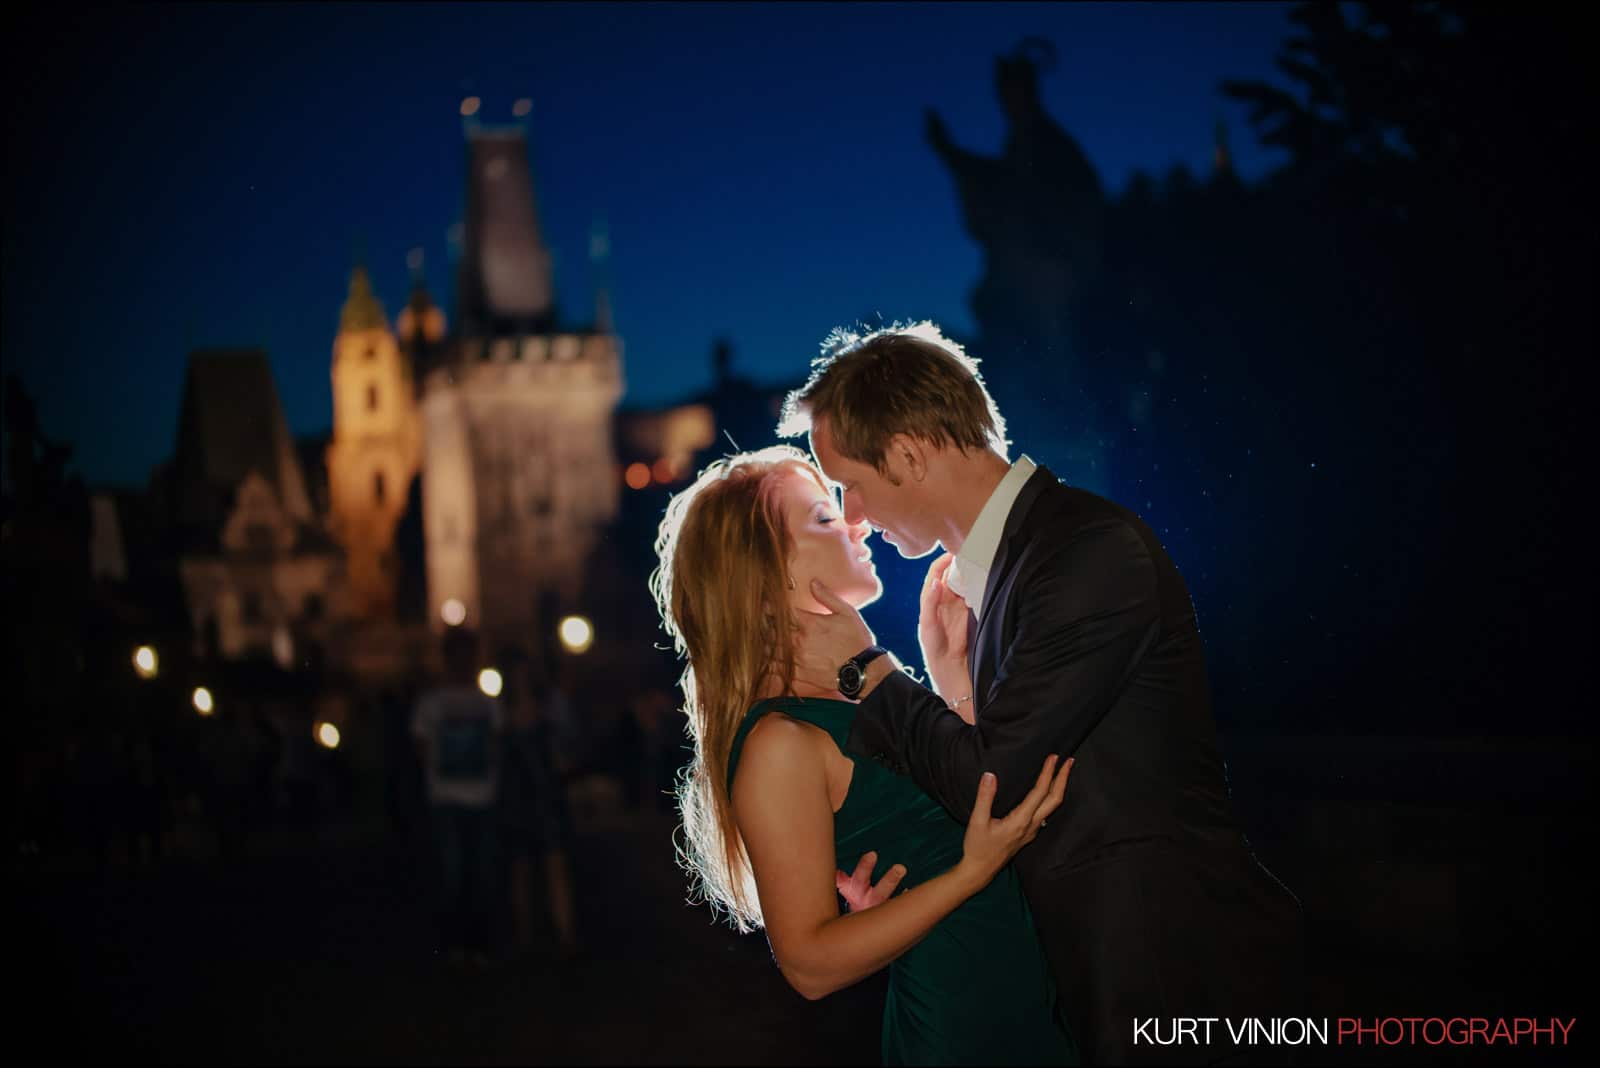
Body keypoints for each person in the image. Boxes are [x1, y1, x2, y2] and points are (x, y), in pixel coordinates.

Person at [776, 322, 1305, 1065]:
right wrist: (952, 683)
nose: (854, 514)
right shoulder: (1019, 571)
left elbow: (995, 785)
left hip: (1166, 972)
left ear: (906, 454)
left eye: (851, 486)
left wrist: (868, 669)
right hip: (1095, 974)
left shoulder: (1087, 551)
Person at [652, 445, 1076, 1066]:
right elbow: (809, 966)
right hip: (964, 1030)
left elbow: (973, 796)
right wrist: (970, 872)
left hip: (1031, 998)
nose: (854, 521)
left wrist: (947, 671)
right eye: (824, 517)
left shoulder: (862, 691)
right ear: (769, 575)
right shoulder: (779, 743)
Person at [411, 626, 503, 968]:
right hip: (448, 799)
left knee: (478, 875)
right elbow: (421, 748)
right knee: (454, 875)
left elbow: (496, 746)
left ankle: (476, 945)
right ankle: (455, 945)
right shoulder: (432, 702)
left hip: (478, 798)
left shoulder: (485, 701)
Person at [498, 648, 582, 963]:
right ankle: (527, 935)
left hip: (545, 794)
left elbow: (567, 747)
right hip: (520, 796)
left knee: (553, 864)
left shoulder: (550, 707)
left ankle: (563, 934)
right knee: (523, 867)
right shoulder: (502, 710)